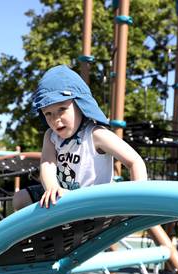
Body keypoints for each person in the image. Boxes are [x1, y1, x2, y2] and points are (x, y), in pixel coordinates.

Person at [12, 65, 147, 210]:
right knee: (19, 199)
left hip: (94, 200)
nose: (55, 119)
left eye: (62, 109)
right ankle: (43, 231)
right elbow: (47, 164)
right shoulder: (51, 137)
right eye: (48, 113)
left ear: (80, 105)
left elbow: (135, 161)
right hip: (62, 193)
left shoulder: (96, 134)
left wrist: (137, 200)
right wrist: (52, 187)